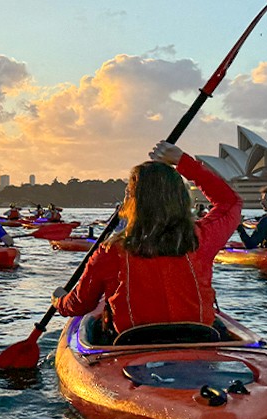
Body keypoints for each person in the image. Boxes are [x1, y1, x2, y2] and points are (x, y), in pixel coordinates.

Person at [52, 142, 243, 339]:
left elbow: (79, 305)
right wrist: (183, 162)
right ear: (181, 198)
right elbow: (231, 202)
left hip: (133, 344)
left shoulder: (110, 251)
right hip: (199, 338)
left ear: (131, 200)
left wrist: (59, 300)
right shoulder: (203, 237)